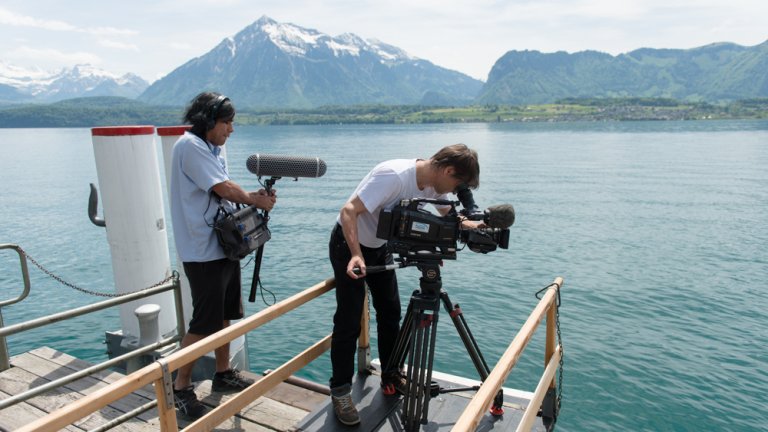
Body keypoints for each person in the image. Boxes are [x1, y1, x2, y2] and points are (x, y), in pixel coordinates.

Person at [328, 144, 481, 425]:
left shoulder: (436, 186)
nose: (454, 189)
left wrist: (477, 226)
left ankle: (391, 373)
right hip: (349, 245)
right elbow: (349, 210)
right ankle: (340, 391)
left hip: (380, 246)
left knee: (391, 314)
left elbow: (448, 215)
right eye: (457, 182)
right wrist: (356, 255)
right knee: (349, 321)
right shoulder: (395, 176)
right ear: (448, 170)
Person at [169, 91, 277, 419]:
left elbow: (226, 187)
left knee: (226, 314)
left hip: (222, 246)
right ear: (209, 120)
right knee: (204, 322)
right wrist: (255, 201)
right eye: (227, 122)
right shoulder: (190, 146)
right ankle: (179, 386)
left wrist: (249, 195)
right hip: (202, 251)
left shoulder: (212, 147)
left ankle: (222, 372)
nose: (231, 129)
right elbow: (223, 189)